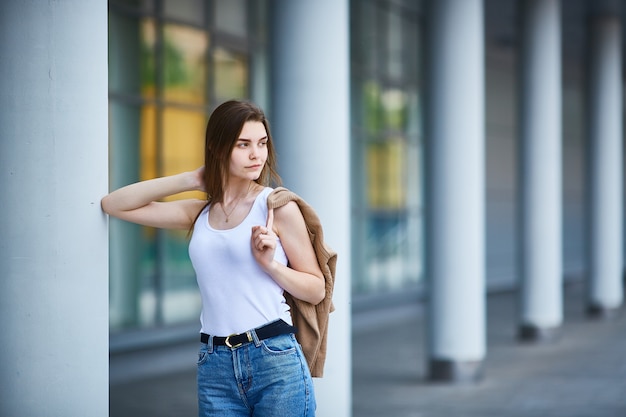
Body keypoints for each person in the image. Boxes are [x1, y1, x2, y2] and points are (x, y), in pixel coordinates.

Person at [101, 100, 324, 416]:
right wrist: (191, 179)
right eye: (242, 144)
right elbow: (114, 204)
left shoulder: (276, 207)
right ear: (218, 148)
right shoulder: (199, 212)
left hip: (273, 358)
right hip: (214, 363)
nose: (255, 154)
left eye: (261, 144)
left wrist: (270, 265)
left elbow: (316, 289)